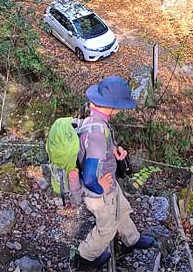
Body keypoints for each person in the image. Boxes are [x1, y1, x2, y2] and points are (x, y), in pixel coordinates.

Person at [75, 76, 155, 268]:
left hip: (108, 182)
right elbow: (88, 176)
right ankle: (85, 258)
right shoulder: (97, 134)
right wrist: (99, 187)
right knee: (106, 227)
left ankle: (131, 239)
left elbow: (94, 148)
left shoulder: (94, 119)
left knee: (122, 209)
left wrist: (113, 150)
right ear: (113, 105)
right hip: (100, 191)